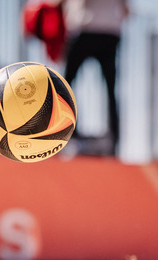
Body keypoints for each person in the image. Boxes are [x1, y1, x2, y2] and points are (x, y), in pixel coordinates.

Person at [62, 0, 128, 155]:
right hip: (110, 33)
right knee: (111, 89)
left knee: (65, 86)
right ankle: (114, 139)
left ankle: (69, 134)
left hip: (85, 29)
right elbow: (126, 11)